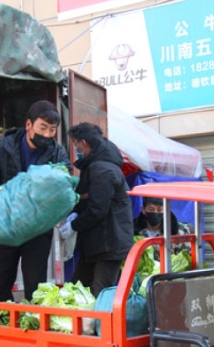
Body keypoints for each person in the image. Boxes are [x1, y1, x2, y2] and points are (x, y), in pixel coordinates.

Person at [0, 100, 72, 302]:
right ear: (29, 125)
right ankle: (3, 323)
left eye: (52, 130)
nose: (47, 135)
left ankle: (32, 324)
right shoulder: (4, 149)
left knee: (35, 286)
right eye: (42, 128)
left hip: (37, 229)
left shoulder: (57, 153)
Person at [58, 122, 133, 297]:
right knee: (77, 289)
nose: (75, 148)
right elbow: (91, 196)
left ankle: (100, 324)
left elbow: (98, 209)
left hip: (108, 245)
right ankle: (84, 324)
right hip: (97, 243)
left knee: (100, 293)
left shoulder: (102, 169)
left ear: (83, 143)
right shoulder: (97, 164)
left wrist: (74, 225)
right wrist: (76, 211)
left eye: (75, 143)